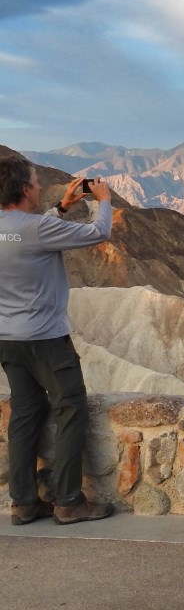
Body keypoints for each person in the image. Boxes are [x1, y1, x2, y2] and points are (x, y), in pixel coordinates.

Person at [0, 158, 115, 525]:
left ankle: (22, 502)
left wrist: (63, 207)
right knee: (70, 407)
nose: (38, 187)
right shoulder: (34, 229)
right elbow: (99, 233)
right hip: (46, 339)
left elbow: (29, 233)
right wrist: (103, 200)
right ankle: (68, 502)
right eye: (34, 182)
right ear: (23, 189)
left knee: (25, 415)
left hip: (8, 340)